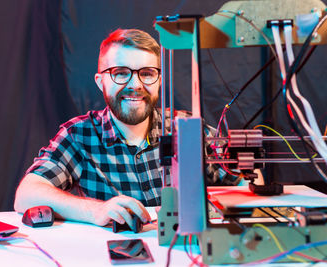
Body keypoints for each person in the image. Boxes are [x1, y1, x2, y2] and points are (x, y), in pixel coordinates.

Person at [14, 28, 240, 230]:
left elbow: (244, 180)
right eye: (121, 73)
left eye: (147, 73)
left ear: (160, 80)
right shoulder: (80, 135)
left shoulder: (189, 129)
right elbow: (26, 194)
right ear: (100, 81)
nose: (135, 85)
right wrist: (96, 211)